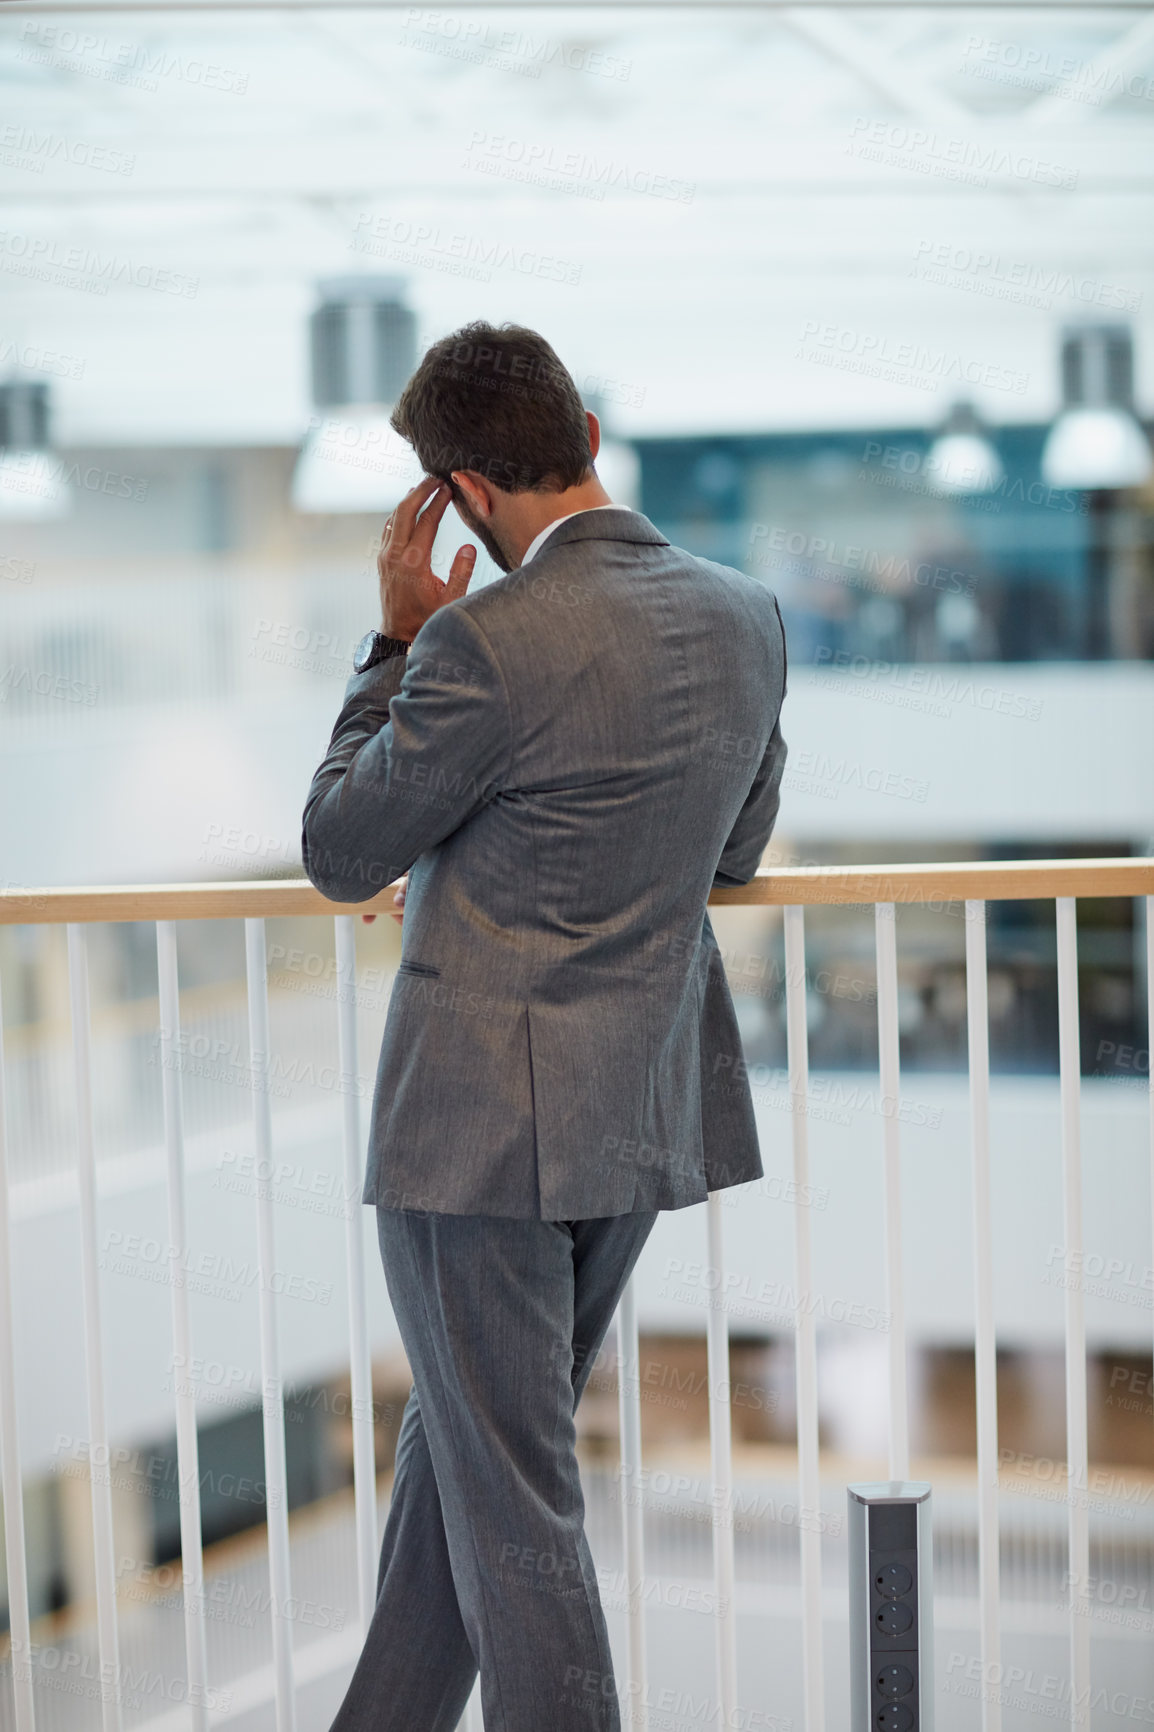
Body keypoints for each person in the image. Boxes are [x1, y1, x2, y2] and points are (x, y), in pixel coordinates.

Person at [302, 321, 787, 1732]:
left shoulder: (474, 640)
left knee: (510, 1501)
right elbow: (734, 851)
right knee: (461, 1462)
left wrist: (392, 637)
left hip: (474, 1143)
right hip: (627, 1116)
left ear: (459, 494)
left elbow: (342, 846)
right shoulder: (743, 614)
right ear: (582, 437)